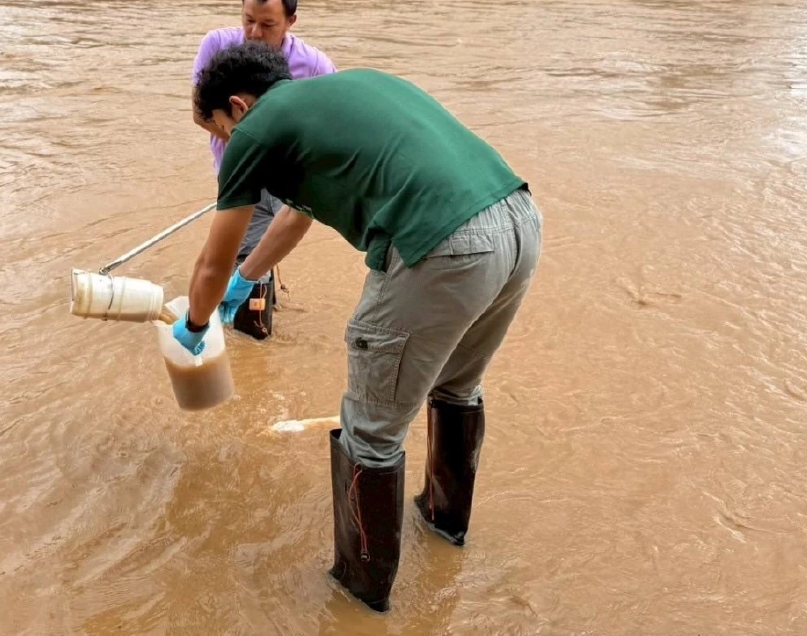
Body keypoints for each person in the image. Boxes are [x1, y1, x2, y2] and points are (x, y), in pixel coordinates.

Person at [173, 42, 542, 613]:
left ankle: (357, 596)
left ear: (239, 108)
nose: (224, 144)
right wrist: (250, 278)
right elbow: (297, 215)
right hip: (518, 225)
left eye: (219, 130)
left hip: (444, 245)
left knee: (369, 432)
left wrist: (195, 322)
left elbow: (208, 263)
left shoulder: (254, 130)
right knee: (455, 388)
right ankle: (445, 532)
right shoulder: (344, 92)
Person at [191, 0, 335, 341]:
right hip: (240, 173)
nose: (254, 33)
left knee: (261, 254)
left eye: (267, 24)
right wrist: (250, 150)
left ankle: (251, 323)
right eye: (248, 20)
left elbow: (325, 132)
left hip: (291, 177)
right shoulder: (217, 46)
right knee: (243, 256)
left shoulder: (316, 66)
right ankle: (250, 338)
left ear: (290, 22)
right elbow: (200, 113)